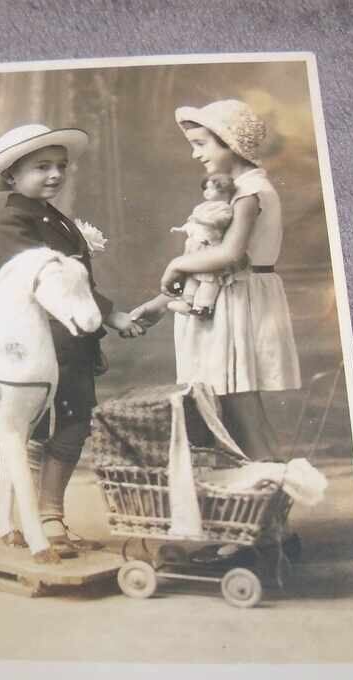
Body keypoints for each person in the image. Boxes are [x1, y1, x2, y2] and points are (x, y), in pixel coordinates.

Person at [0, 123, 145, 555]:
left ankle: (49, 515)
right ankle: (39, 520)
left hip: (70, 341)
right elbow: (51, 285)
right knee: (43, 430)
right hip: (42, 344)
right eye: (41, 167)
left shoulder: (53, 219)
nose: (54, 174)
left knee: (70, 428)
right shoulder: (12, 224)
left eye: (61, 166)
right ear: (12, 176)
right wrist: (113, 315)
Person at [131, 99, 301, 462]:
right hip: (221, 301)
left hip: (239, 302)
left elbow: (230, 255)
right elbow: (206, 263)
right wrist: (161, 304)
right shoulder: (232, 193)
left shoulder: (250, 193)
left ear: (230, 143)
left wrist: (176, 262)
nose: (195, 155)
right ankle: (255, 497)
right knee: (226, 406)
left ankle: (271, 493)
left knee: (241, 408)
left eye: (201, 144)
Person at [166, 173, 237, 318]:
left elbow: (220, 222)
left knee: (208, 278)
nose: (206, 192)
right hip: (195, 246)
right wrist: (182, 228)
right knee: (191, 275)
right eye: (205, 189)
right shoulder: (202, 207)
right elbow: (192, 223)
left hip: (209, 247)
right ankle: (187, 302)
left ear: (224, 191)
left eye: (211, 189)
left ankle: (204, 307)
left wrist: (201, 220)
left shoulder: (224, 208)